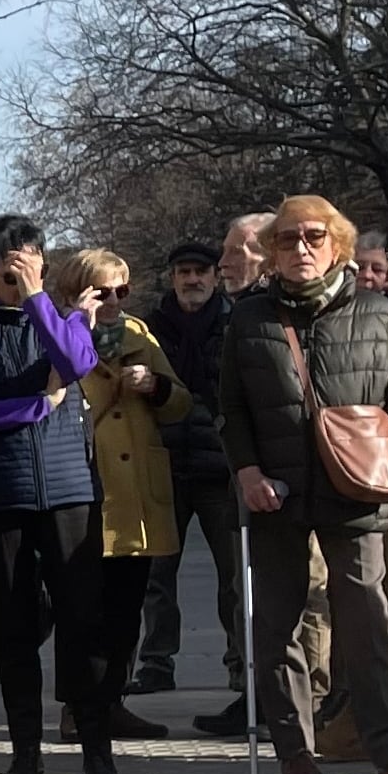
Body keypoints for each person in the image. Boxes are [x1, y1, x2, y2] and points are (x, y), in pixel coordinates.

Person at [218, 196, 388, 774]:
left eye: (314, 237)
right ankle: (294, 748)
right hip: (276, 491)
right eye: (287, 239)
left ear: (338, 246)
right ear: (270, 252)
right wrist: (246, 472)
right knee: (279, 622)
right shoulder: (249, 319)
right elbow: (231, 408)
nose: (301, 248)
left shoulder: (377, 313)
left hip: (356, 489)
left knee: (367, 623)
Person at [0, 215, 114, 774]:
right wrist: (31, 407)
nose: (20, 269)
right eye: (9, 263)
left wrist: (37, 296)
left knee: (83, 622)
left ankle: (96, 748)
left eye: (30, 257)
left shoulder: (61, 318)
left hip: (67, 492)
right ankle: (25, 753)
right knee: (12, 626)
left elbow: (78, 365)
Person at [48, 247, 187, 755]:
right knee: (81, 610)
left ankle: (112, 702)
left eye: (120, 292)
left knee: (127, 607)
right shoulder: (57, 335)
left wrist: (155, 386)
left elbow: (181, 404)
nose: (112, 302)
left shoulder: (139, 335)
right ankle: (77, 709)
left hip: (135, 495)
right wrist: (78, 331)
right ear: (73, 292)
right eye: (100, 292)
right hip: (82, 487)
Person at [141, 236, 247, 718]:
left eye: (200, 271)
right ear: (172, 278)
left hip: (219, 467)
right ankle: (156, 662)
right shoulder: (151, 327)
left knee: (234, 573)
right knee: (157, 575)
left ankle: (241, 664)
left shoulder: (233, 322)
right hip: (163, 464)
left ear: (214, 276)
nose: (192, 280)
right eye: (184, 271)